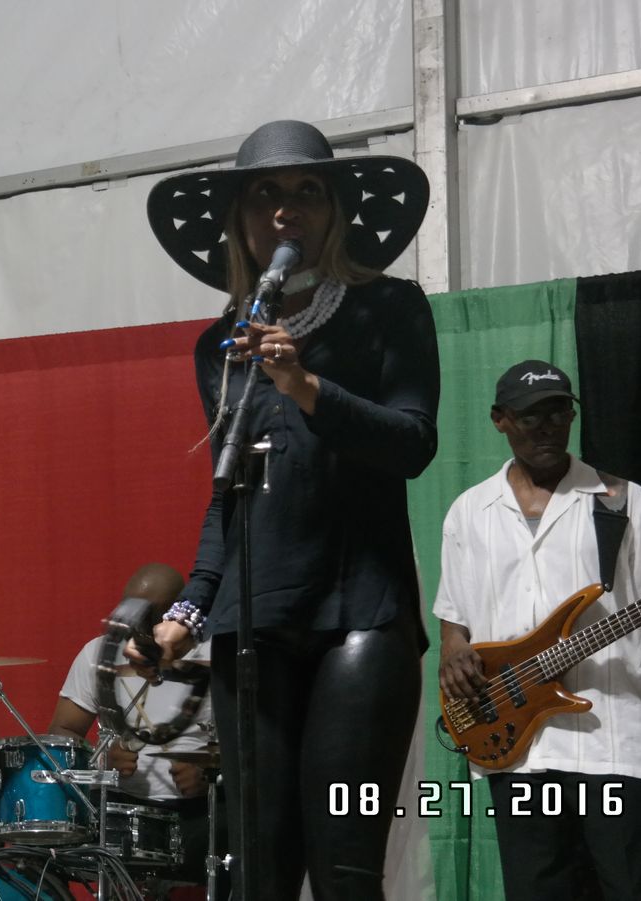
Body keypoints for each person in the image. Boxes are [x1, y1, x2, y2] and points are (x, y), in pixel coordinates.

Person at [139, 119, 440, 900]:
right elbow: (228, 495)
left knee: (344, 869)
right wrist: (189, 610)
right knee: (257, 875)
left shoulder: (390, 308)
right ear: (239, 219)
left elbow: (412, 443)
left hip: (360, 612)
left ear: (334, 211)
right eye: (265, 192)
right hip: (253, 623)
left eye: (308, 189)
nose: (286, 206)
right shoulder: (220, 347)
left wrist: (306, 387)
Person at [434, 360, 641, 901]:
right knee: (535, 890)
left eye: (558, 412)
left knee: (630, 888)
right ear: (500, 420)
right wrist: (451, 650)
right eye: (531, 416)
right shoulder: (468, 511)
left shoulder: (624, 500)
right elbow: (454, 614)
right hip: (515, 741)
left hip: (612, 739)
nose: (547, 427)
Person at [48, 562, 216, 883]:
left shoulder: (215, 655)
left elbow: (259, 746)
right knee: (46, 854)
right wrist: (100, 760)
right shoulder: (98, 654)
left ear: (176, 613)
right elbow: (62, 733)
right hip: (120, 808)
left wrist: (210, 772)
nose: (134, 621)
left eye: (148, 614)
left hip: (200, 811)